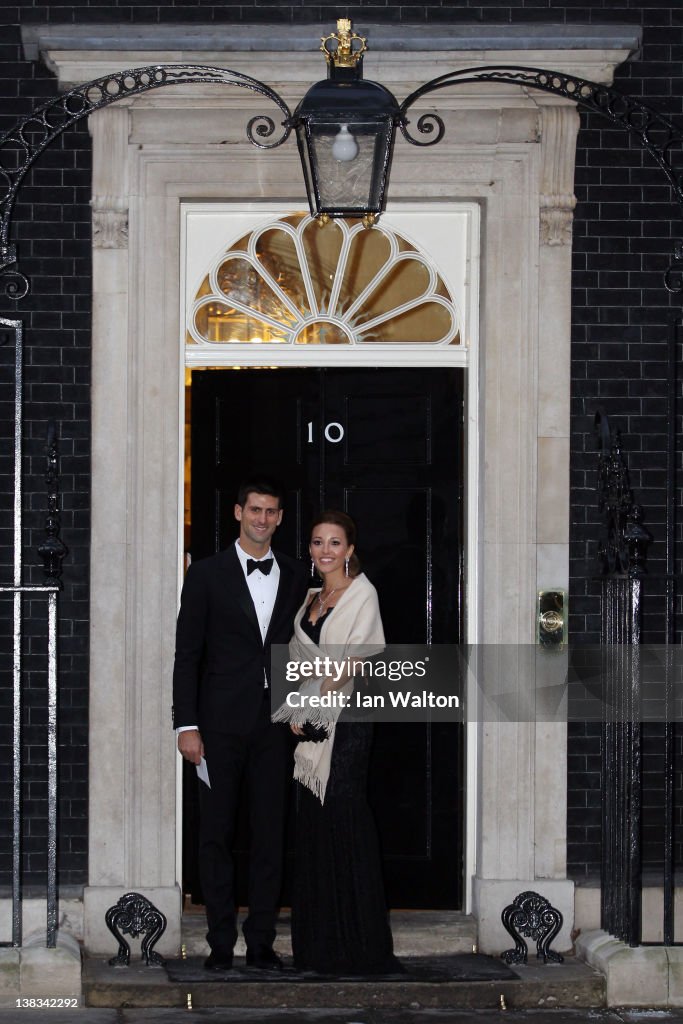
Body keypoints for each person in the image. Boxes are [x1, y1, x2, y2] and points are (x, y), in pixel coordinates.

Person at [172, 477, 309, 972]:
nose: (262, 519)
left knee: (271, 836)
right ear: (237, 512)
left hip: (277, 727)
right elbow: (187, 654)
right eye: (255, 509)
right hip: (218, 727)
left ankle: (261, 943)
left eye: (271, 511)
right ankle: (220, 942)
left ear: (279, 518)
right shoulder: (205, 575)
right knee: (216, 836)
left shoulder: (297, 575)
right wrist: (185, 726)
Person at [273, 510, 402, 975]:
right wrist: (293, 709)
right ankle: (319, 945)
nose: (324, 550)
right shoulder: (312, 597)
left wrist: (307, 704)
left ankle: (359, 946)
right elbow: (295, 660)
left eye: (334, 543)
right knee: (314, 821)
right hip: (310, 718)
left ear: (349, 549)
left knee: (343, 814)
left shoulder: (362, 594)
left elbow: (356, 660)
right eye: (316, 542)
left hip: (346, 719)